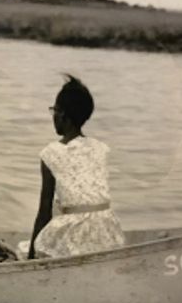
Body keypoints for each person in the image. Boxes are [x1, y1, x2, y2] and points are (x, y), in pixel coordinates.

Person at [27, 75, 125, 259]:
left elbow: (44, 212)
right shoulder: (101, 148)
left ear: (62, 114)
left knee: (38, 245)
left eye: (54, 110)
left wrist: (30, 259)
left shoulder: (51, 153)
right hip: (107, 230)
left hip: (74, 233)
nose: (53, 115)